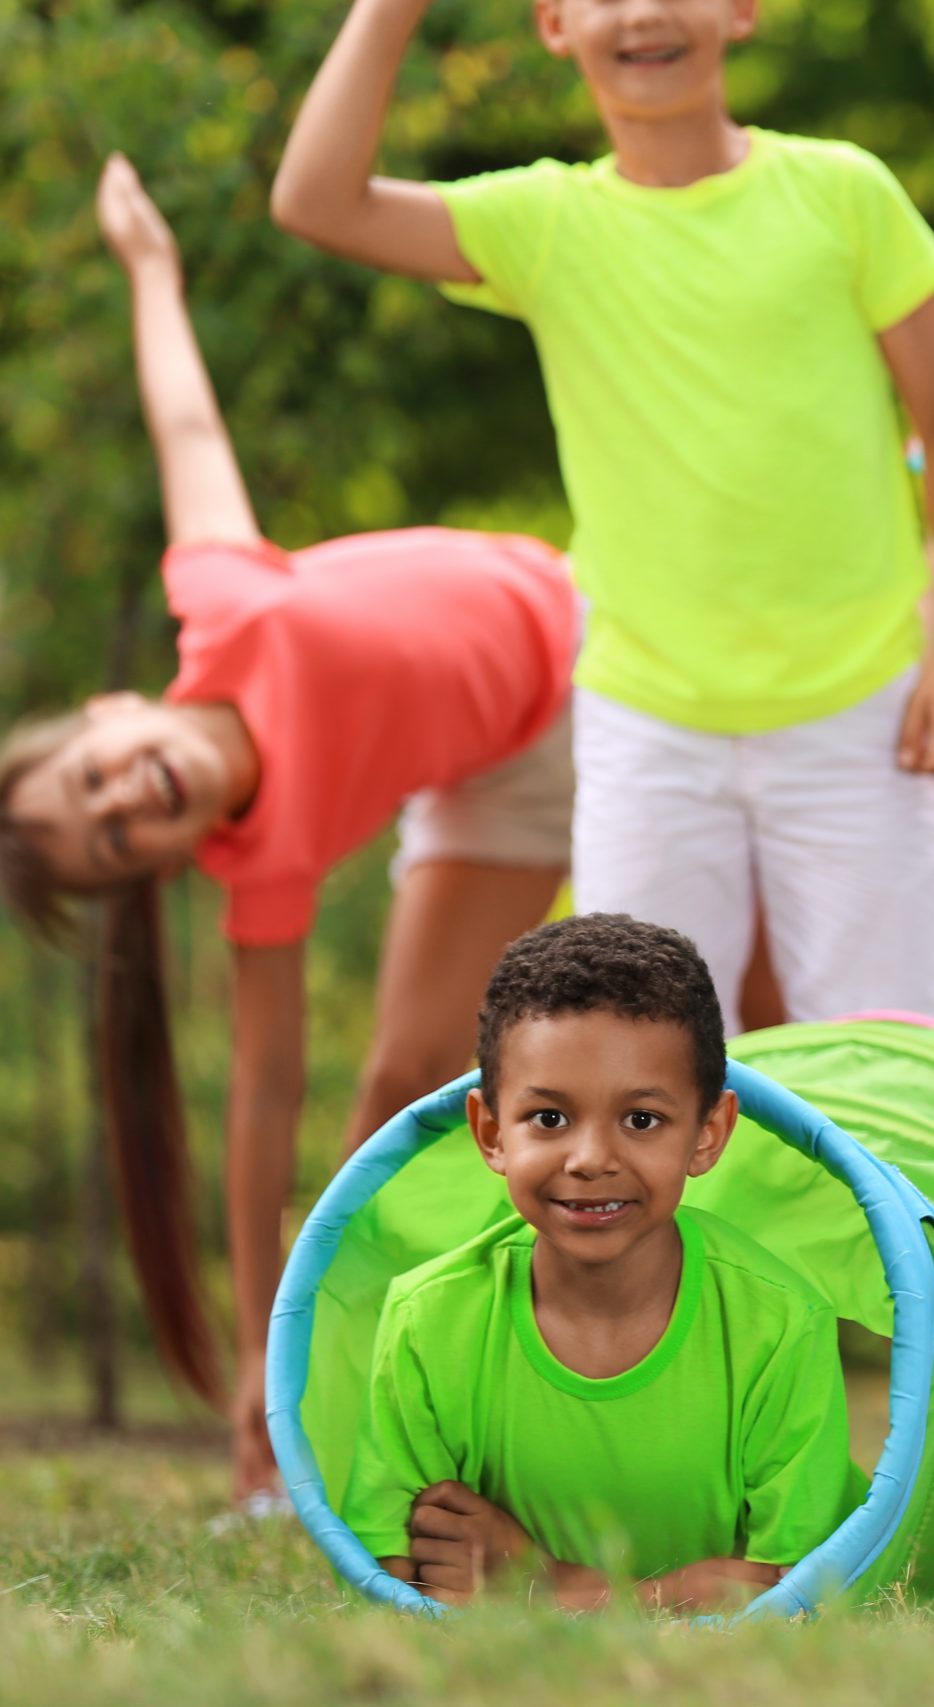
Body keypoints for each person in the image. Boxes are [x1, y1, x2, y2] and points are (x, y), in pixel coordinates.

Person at [0, 156, 583, 1505]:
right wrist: (264, 1354)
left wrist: (151, 267)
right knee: (400, 1094)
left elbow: (185, 425)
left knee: (731, 1000)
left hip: (592, 658)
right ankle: (342, 1405)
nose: (122, 805)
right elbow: (263, 1109)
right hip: (496, 779)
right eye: (112, 845)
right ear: (160, 870)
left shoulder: (225, 600)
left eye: (92, 782)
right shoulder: (259, 868)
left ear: (112, 712)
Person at [272, 0, 934, 1035]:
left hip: (857, 716)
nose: (645, 13)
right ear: (554, 24)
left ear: (740, 10)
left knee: (888, 1053)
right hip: (647, 729)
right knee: (639, 1056)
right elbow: (317, 200)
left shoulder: (844, 193)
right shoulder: (544, 224)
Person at [343, 913, 858, 1612]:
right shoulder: (427, 1318)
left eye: (641, 1119)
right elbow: (409, 1570)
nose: (590, 1159)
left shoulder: (780, 1323)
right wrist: (681, 1592)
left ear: (708, 1134)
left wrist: (555, 1586)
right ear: (490, 1132)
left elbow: (798, 1590)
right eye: (549, 1118)